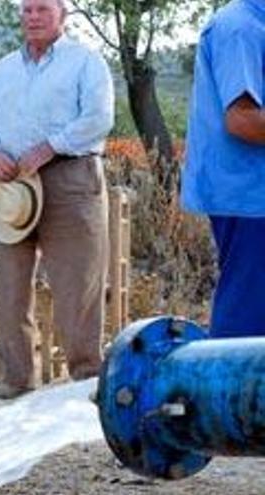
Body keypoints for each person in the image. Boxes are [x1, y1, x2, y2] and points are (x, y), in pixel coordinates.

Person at [0, 0, 114, 399]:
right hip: (12, 183)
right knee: (8, 281)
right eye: (27, 9)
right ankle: (14, 378)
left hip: (70, 177)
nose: (33, 16)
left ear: (62, 15)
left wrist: (53, 145)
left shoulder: (86, 62)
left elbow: (99, 117)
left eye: (42, 9)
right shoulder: (3, 69)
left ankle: (86, 379)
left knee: (77, 281)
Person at [181, 0, 265, 338]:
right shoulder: (240, 27)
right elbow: (242, 119)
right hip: (247, 196)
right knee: (248, 316)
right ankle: (227, 390)